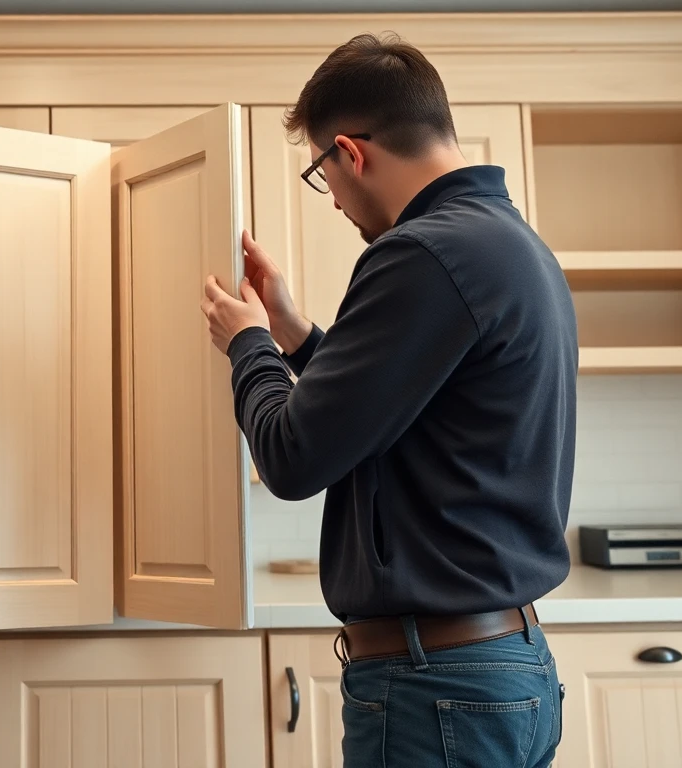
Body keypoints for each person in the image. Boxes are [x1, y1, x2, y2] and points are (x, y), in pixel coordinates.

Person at [201, 33, 575, 767]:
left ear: (351, 151)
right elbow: (400, 408)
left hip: (432, 683)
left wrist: (248, 344)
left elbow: (294, 455)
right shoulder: (508, 244)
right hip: (504, 668)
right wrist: (296, 332)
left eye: (321, 173)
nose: (333, 198)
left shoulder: (421, 251)